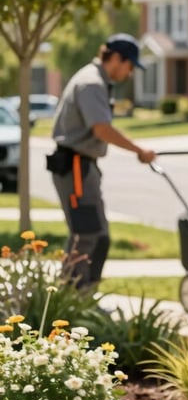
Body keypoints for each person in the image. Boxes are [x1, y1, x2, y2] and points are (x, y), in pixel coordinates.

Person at [48, 34, 156, 292]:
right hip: (74, 165)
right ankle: (71, 298)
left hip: (84, 166)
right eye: (130, 65)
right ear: (117, 58)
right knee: (85, 235)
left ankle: (87, 293)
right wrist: (138, 150)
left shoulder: (96, 81)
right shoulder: (91, 83)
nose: (130, 73)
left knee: (100, 237)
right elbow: (101, 129)